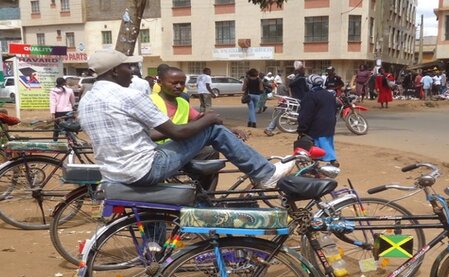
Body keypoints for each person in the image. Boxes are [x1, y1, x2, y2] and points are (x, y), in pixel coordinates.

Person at [78, 49, 292, 188]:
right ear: (115, 71)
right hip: (145, 168)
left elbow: (145, 135)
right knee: (213, 131)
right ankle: (265, 174)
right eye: (128, 67)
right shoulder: (129, 95)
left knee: (204, 133)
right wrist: (207, 120)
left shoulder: (87, 101)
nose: (132, 73)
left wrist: (198, 123)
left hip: (114, 172)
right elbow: (177, 133)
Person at [296, 74, 339, 167]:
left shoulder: (310, 96)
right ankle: (330, 159)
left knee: (317, 143)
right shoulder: (329, 95)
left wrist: (302, 128)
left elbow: (306, 114)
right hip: (330, 123)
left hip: (316, 125)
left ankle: (328, 160)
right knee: (327, 141)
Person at [49, 77, 76, 141]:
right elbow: (73, 101)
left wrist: (52, 113)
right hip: (68, 111)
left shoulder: (53, 91)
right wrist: (73, 108)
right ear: (65, 82)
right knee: (69, 127)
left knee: (57, 127)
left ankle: (55, 141)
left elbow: (53, 103)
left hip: (58, 111)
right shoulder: (70, 90)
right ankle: (71, 142)